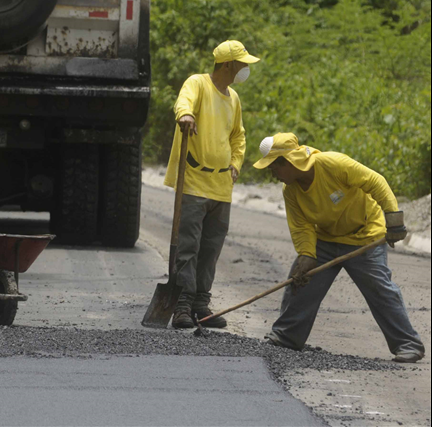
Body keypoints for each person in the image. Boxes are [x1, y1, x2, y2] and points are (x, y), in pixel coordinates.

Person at [253, 133, 425, 363]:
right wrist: (306, 254)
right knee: (301, 281)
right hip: (325, 240)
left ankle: (408, 344)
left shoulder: (332, 164)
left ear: (289, 162)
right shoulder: (291, 191)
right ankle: (286, 336)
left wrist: (393, 219)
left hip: (364, 237)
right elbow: (301, 226)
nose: (273, 175)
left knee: (380, 289)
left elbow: (376, 182)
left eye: (274, 168)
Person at [163, 39, 259, 329]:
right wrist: (186, 115)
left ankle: (200, 305)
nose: (245, 69)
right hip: (193, 181)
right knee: (188, 246)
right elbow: (183, 102)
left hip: (221, 185)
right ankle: (181, 305)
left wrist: (235, 164)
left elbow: (238, 136)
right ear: (228, 64)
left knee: (211, 248)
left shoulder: (234, 98)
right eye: (242, 63)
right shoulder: (198, 84)